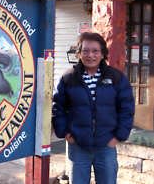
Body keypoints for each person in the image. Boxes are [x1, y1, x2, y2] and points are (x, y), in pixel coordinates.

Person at [52, 32, 135, 184]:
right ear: (79, 53)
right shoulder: (68, 78)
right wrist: (64, 133)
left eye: (95, 51)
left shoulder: (116, 78)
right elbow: (58, 107)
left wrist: (118, 137)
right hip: (78, 146)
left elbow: (127, 108)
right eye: (85, 51)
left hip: (106, 145)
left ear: (103, 53)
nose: (90, 55)